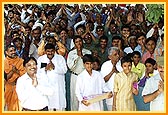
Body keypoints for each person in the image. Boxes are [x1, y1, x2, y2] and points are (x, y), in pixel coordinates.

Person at [37, 43, 67, 111]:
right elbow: (37, 72)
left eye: (52, 51)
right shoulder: (41, 59)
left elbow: (64, 70)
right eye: (48, 51)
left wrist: (54, 67)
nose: (50, 53)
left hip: (58, 87)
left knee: (59, 105)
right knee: (48, 106)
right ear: (45, 51)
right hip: (46, 86)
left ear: (54, 51)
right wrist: (45, 69)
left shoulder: (60, 58)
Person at [67, 35, 91, 111]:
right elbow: (70, 67)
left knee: (86, 96)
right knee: (75, 98)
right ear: (74, 43)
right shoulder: (71, 53)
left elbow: (90, 66)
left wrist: (82, 55)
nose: (79, 43)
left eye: (80, 41)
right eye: (76, 42)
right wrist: (77, 56)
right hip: (75, 76)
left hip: (85, 77)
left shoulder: (88, 52)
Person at [4, 45, 26, 111]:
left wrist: (16, 71)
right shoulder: (4, 62)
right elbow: (6, 78)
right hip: (8, 88)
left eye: (14, 50)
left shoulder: (21, 61)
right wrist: (12, 71)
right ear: (6, 52)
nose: (13, 52)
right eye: (11, 51)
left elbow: (24, 75)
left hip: (20, 87)